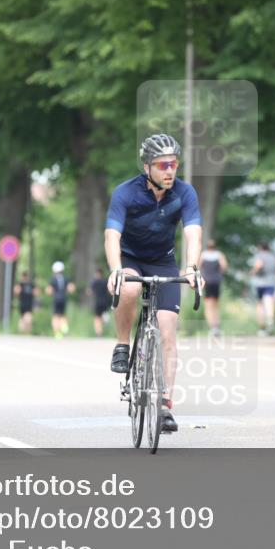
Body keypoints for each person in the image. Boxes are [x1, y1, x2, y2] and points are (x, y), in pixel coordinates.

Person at [105, 132, 203, 434]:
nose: (170, 171)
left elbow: (193, 233)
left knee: (168, 331)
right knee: (131, 287)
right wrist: (116, 269)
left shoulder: (185, 193)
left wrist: (191, 267)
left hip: (163, 260)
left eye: (173, 164)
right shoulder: (126, 192)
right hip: (130, 258)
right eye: (162, 165)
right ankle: (123, 343)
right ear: (147, 167)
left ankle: (164, 405)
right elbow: (112, 235)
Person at [199, 240, 228, 336]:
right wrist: (218, 272)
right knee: (216, 304)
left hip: (207, 282)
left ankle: (212, 327)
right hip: (216, 281)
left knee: (208, 305)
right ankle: (217, 325)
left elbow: (198, 266)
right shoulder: (219, 255)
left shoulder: (203, 255)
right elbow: (224, 266)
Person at [249, 242, 275, 336]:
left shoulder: (259, 255)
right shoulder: (273, 256)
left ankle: (262, 327)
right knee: (269, 301)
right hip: (271, 282)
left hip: (260, 283)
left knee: (260, 304)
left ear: (260, 248)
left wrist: (252, 272)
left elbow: (259, 265)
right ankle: (270, 320)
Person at [46, 261, 75, 338]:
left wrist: (51, 292)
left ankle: (58, 333)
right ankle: (64, 327)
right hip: (64, 298)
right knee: (62, 315)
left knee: (55, 316)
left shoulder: (53, 279)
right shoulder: (66, 279)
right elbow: (71, 288)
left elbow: (49, 290)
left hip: (56, 299)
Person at [88, 268, 112, 337]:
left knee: (97, 318)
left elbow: (89, 292)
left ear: (97, 273)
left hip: (98, 302)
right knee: (102, 316)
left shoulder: (94, 282)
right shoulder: (106, 281)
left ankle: (99, 332)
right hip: (105, 302)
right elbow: (109, 291)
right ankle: (104, 321)